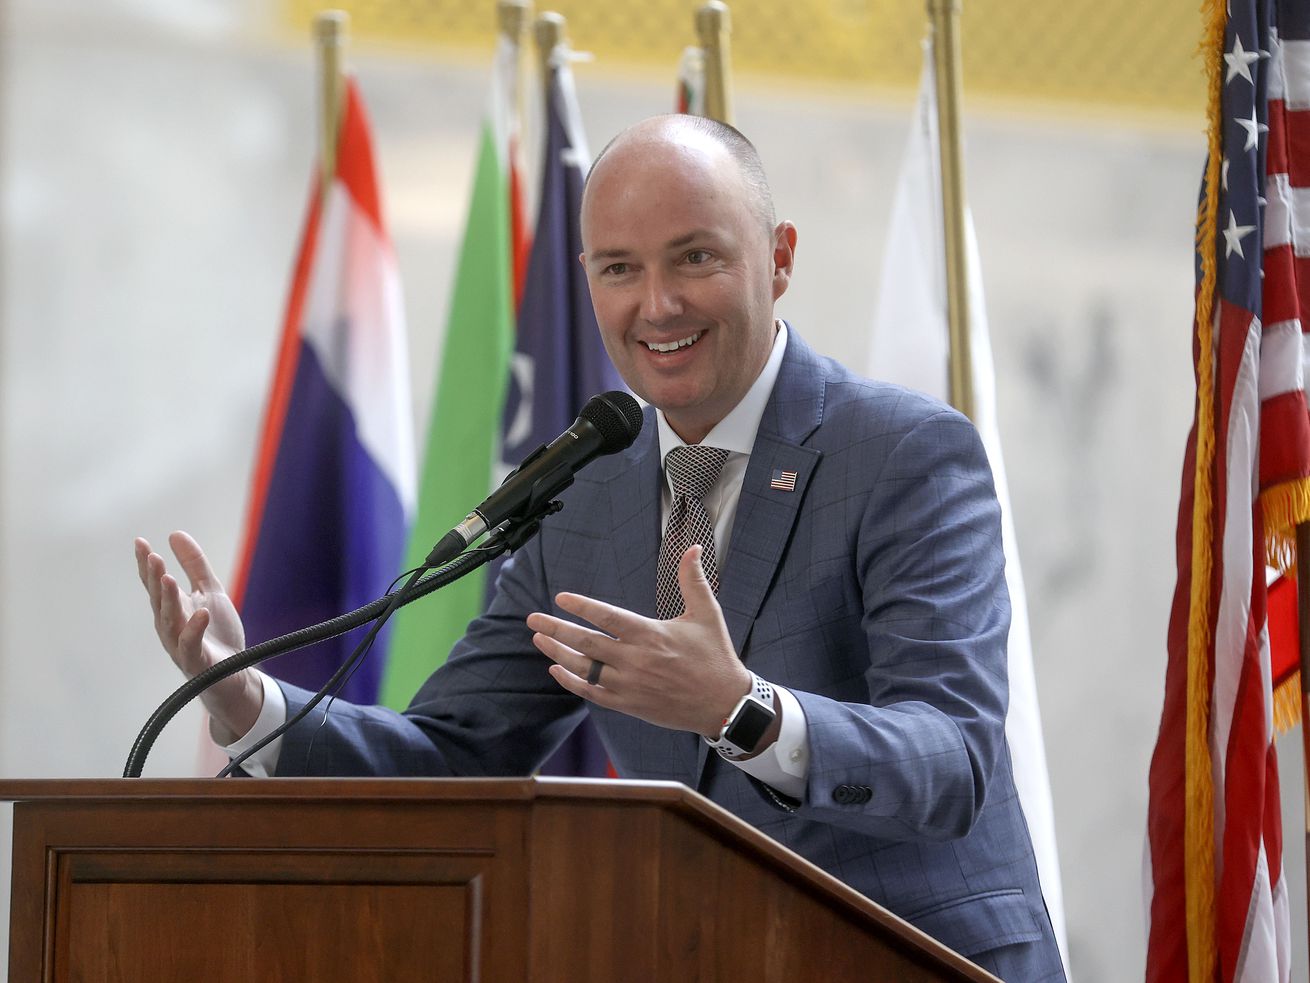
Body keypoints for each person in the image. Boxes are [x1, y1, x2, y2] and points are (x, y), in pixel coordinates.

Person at [136, 114, 1064, 980]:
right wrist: (245, 697)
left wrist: (742, 709)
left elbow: (954, 758)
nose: (656, 305)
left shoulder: (906, 453)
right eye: (619, 269)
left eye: (694, 257)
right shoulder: (585, 490)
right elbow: (455, 756)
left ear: (778, 260)